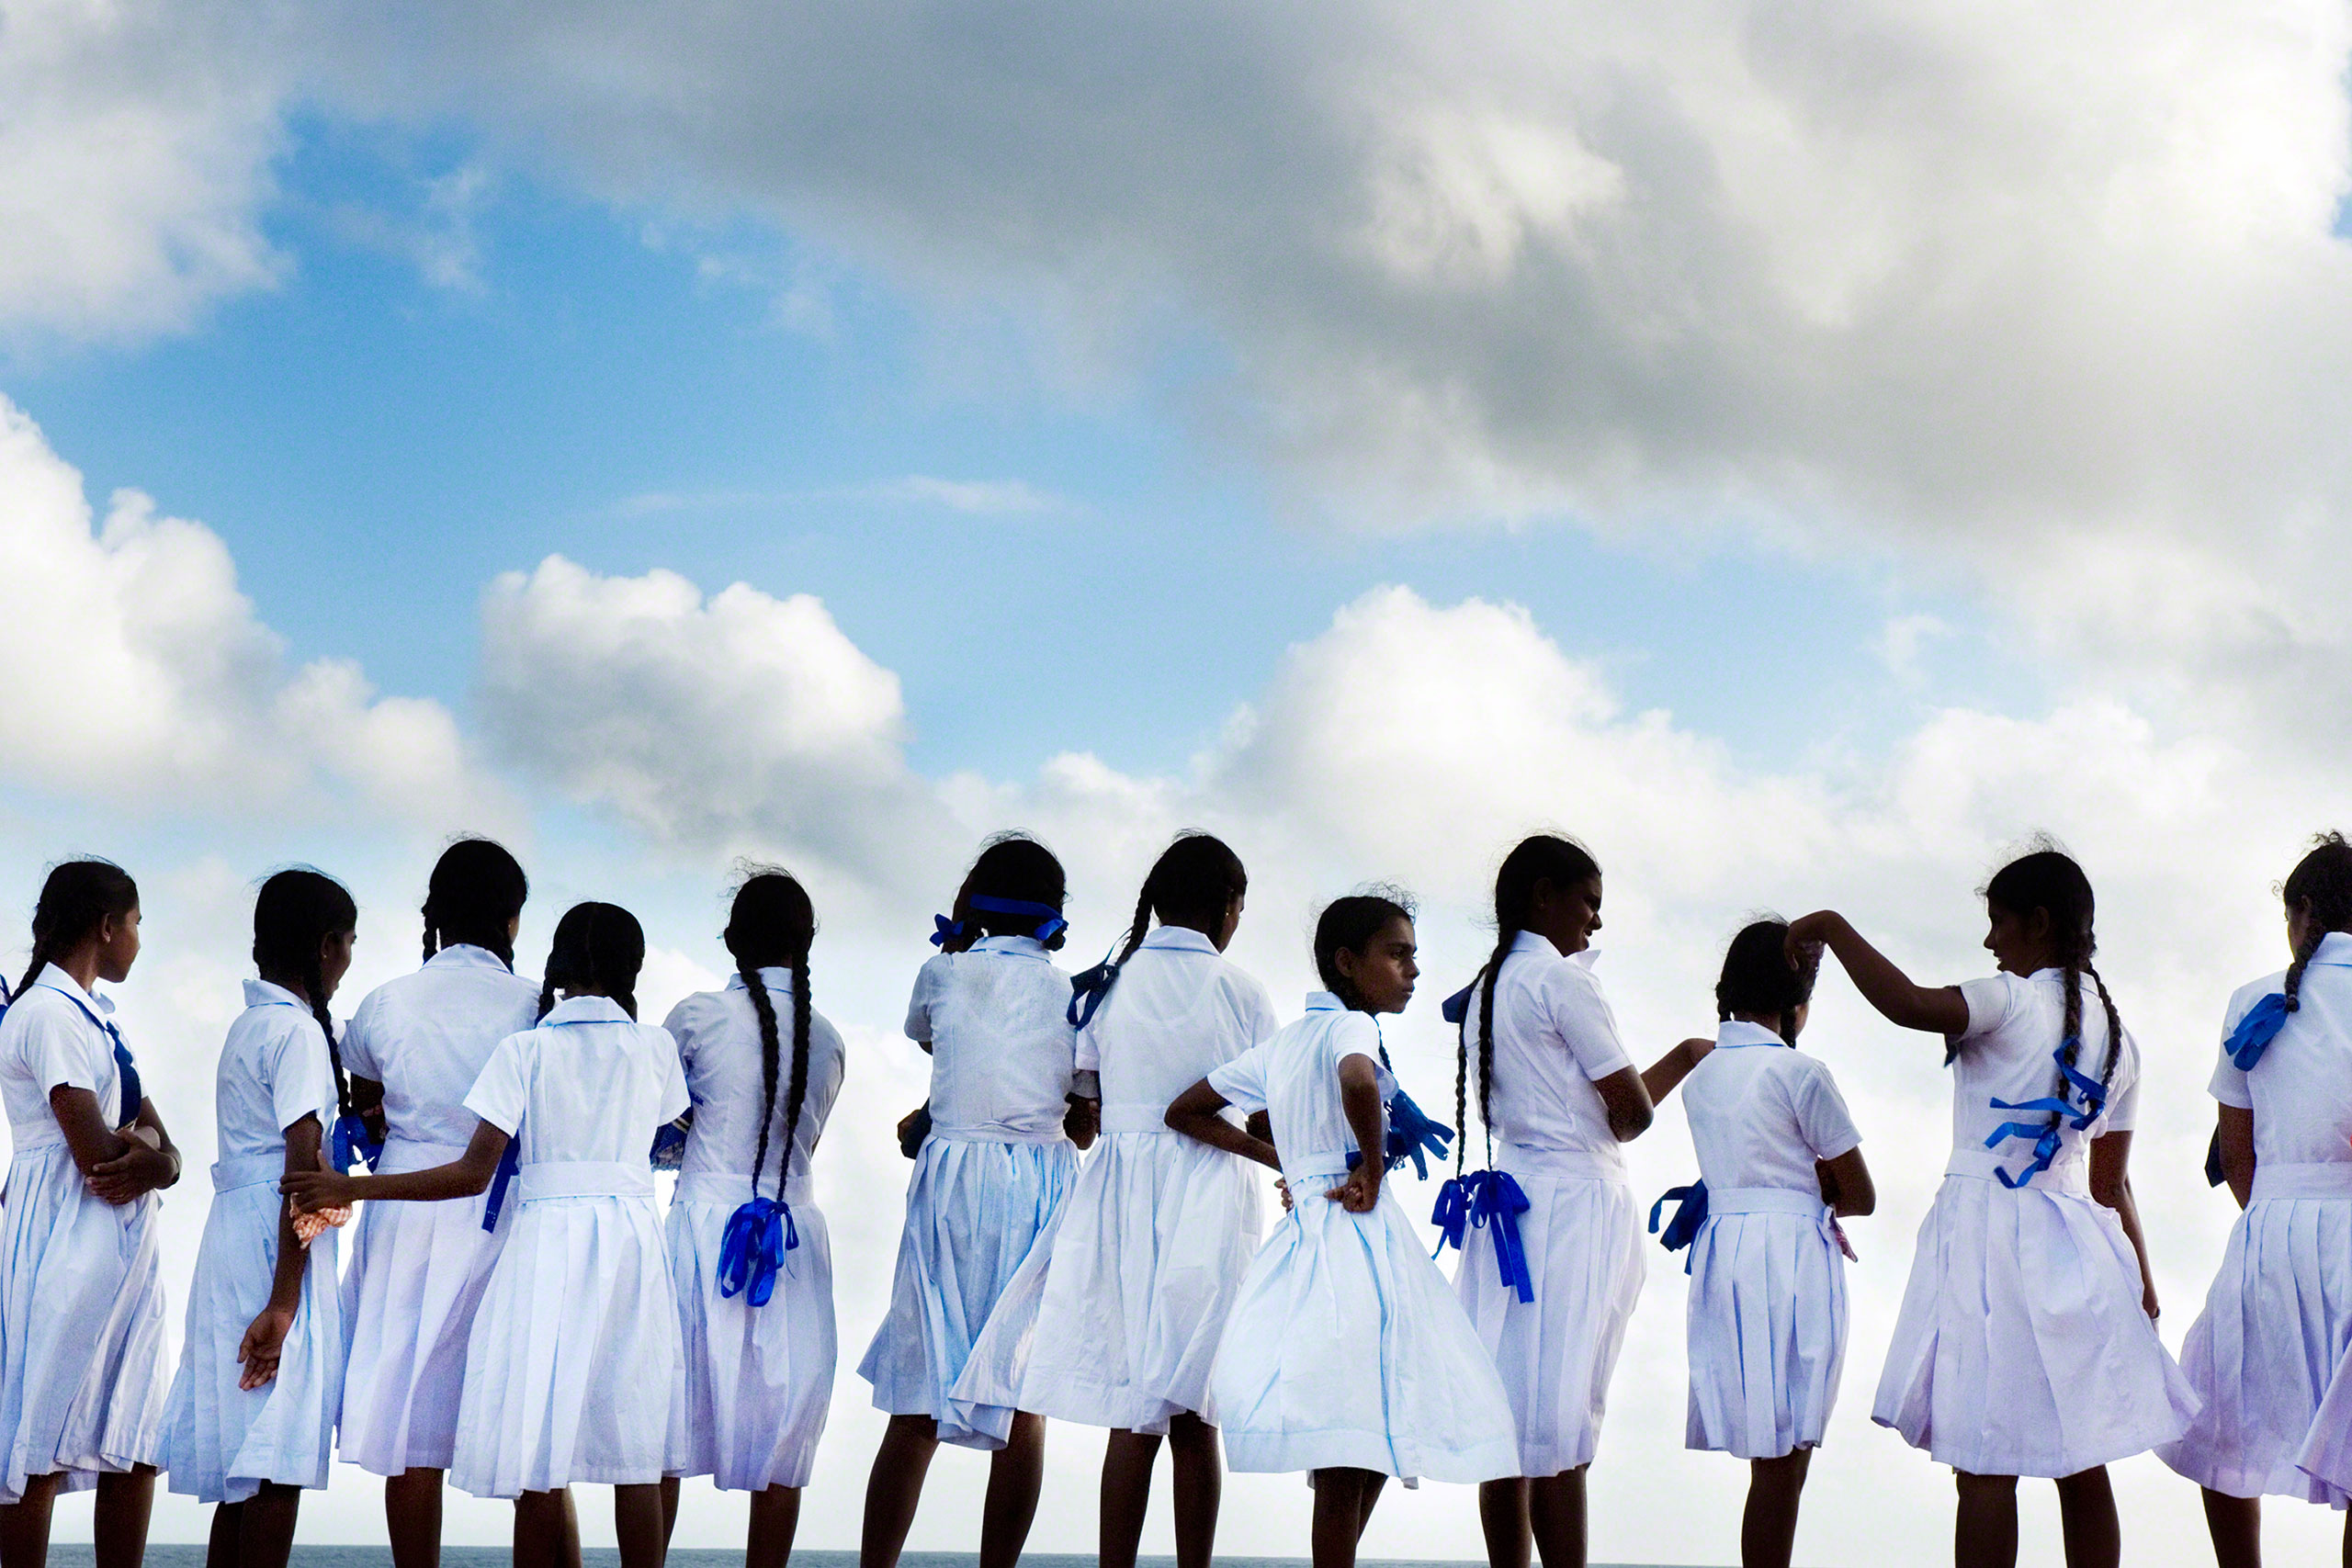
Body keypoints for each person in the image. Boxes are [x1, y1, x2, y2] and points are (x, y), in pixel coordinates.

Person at [1787, 843, 2193, 1568]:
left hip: (1988, 1241)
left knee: (1982, 1463)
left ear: (2038, 922)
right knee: (2084, 1456)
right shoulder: (2123, 1038)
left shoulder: (2007, 999)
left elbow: (1910, 1004)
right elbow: (2111, 1184)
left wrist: (1833, 926)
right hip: (2079, 1248)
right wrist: (2144, 1286)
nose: (1990, 940)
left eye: (1998, 921)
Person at [288, 901, 687, 1568]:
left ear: (557, 962)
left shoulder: (526, 1049)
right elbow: (669, 1139)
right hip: (632, 1243)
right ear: (634, 968)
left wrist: (352, 1185)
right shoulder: (655, 1048)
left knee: (535, 1448)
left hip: (546, 1243)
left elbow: (475, 1172)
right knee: (637, 1444)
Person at [1167, 890, 1519, 1568]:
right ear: (1348, 962)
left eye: (1414, 956)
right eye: (1397, 954)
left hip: (1311, 1234)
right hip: (1357, 1236)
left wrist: (1290, 1163)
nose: (1412, 970)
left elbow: (1186, 1109)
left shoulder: (1283, 1043)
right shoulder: (1352, 1028)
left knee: (1373, 1433)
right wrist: (1373, 1163)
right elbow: (1359, 1080)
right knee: (1353, 1448)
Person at [1001, 833, 1276, 1568]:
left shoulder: (1107, 986)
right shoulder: (1242, 990)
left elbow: (1082, 1113)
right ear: (1226, 906)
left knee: (1133, 1412)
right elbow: (1265, 1116)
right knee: (1195, 1411)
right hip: (1211, 1198)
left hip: (1120, 1200)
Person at [857, 835, 1092, 1568]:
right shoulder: (1074, 995)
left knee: (917, 1394)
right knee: (1024, 1401)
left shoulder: (941, 972)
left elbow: (949, 1050)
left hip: (954, 1181)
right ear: (1054, 913)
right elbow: (1080, 1121)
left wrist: (938, 1116)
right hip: (1043, 1184)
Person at [1439, 836, 1656, 1568]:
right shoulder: (1565, 982)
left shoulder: (1483, 990)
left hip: (1512, 1204)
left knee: (1510, 1417)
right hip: (1576, 1205)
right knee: (1565, 1425)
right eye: (1589, 902)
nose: (1595, 922)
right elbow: (1631, 1110)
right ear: (1543, 895)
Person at [334, 838, 539, 1568]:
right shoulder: (534, 1003)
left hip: (407, 1211)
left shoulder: (386, 1001)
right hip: (507, 1212)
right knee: (526, 1427)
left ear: (437, 915)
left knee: (412, 1433)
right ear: (513, 920)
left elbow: (366, 1102)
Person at [1645, 919, 1873, 1568]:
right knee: (1785, 1461)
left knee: (1767, 1462)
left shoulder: (1705, 1076)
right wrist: (1820, 1178)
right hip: (1790, 1257)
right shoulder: (1802, 1072)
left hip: (1727, 1254)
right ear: (1795, 991)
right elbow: (1861, 1195)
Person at [160, 868, 358, 1568]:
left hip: (234, 1232)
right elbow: (302, 1174)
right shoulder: (297, 1033)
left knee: (244, 1474)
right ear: (328, 945)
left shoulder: (250, 1026)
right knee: (276, 1460)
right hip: (274, 1249)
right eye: (350, 943)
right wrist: (284, 1300)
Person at [2163, 832, 2352, 1565]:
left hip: (2268, 1228)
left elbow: (2235, 1151)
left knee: (2224, 1423)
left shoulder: (2253, 999)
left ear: (2302, 913)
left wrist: (2272, 1211)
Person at [662, 868, 846, 1568]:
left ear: (732, 940)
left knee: (666, 1427)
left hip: (704, 1227)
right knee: (783, 1439)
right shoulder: (828, 1038)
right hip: (791, 1237)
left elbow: (663, 1130)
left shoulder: (696, 1015)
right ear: (806, 945)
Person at [0, 859, 179, 1568]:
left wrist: (154, 1155)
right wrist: (148, 1152)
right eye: (135, 923)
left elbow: (162, 1145)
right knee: (38, 1426)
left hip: (125, 1240)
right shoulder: (45, 1013)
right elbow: (99, 1156)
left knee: (133, 1431)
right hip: (65, 1232)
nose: (138, 937)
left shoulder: (98, 1017)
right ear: (107, 926)